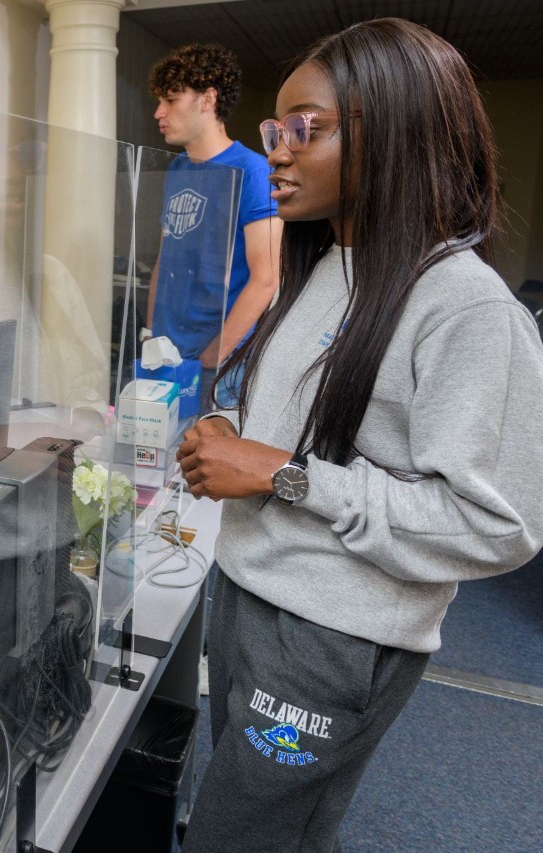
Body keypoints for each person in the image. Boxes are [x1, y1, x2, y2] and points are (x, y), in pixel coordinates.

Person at [175, 19, 543, 852]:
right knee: (258, 827)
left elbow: (500, 525)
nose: (278, 149)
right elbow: (297, 423)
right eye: (276, 128)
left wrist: (282, 474)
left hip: (327, 638)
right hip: (246, 592)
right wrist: (232, 430)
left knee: (243, 839)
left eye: (308, 127)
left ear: (401, 128)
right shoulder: (324, 265)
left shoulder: (469, 309)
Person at [145, 43, 282, 406]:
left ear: (207, 99)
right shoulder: (176, 168)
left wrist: (215, 355)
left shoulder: (253, 170)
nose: (159, 112)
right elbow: (166, 258)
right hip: (166, 351)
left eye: (171, 99)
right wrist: (150, 333)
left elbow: (267, 276)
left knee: (204, 458)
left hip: (218, 360)